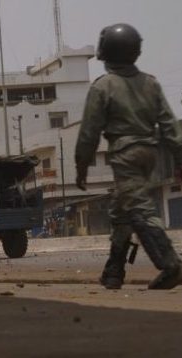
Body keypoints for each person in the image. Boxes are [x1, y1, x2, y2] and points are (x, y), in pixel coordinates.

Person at [75, 23, 182, 290]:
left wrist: (81, 166)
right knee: (121, 211)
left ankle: (171, 265)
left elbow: (89, 132)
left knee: (138, 208)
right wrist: (180, 159)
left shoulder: (103, 87)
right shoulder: (151, 83)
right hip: (150, 153)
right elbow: (170, 127)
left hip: (124, 154)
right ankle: (113, 272)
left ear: (105, 53)